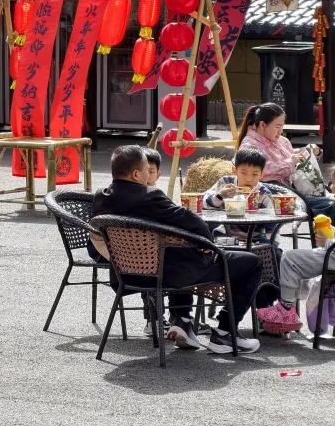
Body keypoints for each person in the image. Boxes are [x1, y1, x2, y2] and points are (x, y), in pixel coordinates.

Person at [92, 145, 263, 354]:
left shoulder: (101, 196)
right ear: (136, 174)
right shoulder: (149, 195)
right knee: (252, 262)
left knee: (180, 252)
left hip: (126, 274)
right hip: (169, 274)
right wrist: (207, 246)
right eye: (146, 170)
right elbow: (192, 222)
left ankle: (182, 321)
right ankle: (226, 332)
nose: (148, 175)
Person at [258, 158, 335, 335]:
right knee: (298, 260)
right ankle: (288, 305)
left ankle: (286, 309)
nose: (331, 186)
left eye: (333, 182)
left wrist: (326, 242)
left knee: (290, 258)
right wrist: (332, 232)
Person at [238, 102, 335, 224]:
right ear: (262, 125)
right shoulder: (249, 145)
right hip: (277, 197)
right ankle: (330, 236)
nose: (281, 131)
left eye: (282, 126)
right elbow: (261, 171)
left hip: (295, 190)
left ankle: (328, 235)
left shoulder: (282, 141)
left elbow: (293, 155)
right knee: (332, 205)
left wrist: (310, 150)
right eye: (277, 126)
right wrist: (290, 163)